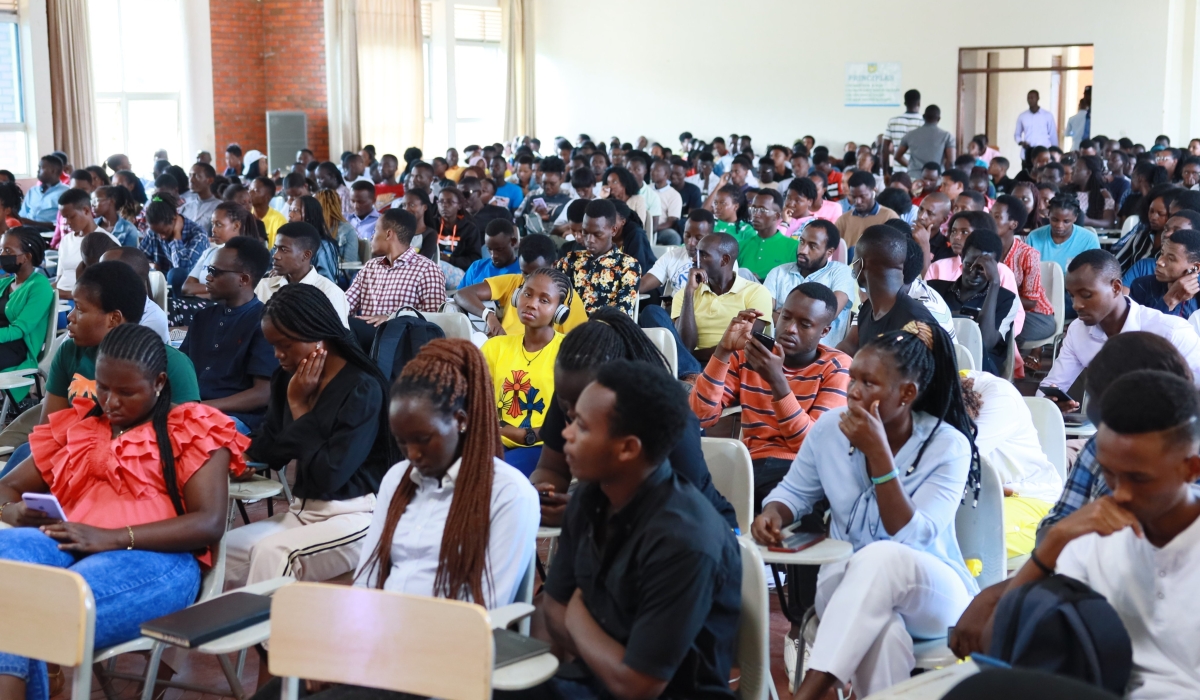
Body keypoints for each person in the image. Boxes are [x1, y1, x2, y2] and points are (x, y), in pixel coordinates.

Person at [0, 324, 246, 700]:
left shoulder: (191, 427)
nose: (111, 401)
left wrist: (112, 537)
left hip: (158, 557)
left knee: (37, 606)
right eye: (103, 387)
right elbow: (8, 485)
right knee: (10, 582)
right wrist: (11, 510)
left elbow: (209, 522)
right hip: (69, 541)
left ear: (159, 382)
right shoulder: (81, 426)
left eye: (126, 392)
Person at [756, 321, 979, 699]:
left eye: (869, 384)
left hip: (930, 593)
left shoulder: (947, 446)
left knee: (882, 556)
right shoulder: (828, 429)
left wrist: (879, 454)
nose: (854, 393)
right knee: (883, 635)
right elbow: (792, 493)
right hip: (843, 585)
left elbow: (910, 537)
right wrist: (773, 514)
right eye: (852, 379)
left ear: (906, 393)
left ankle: (812, 688)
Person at [950, 370, 1200, 699]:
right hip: (1101, 687)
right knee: (980, 687)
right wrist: (1053, 545)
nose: (1119, 494)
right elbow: (998, 650)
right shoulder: (1100, 538)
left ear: (1190, 469)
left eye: (1139, 479)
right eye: (1109, 475)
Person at [521, 359, 741, 700]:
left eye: (581, 426)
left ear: (627, 448)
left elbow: (638, 685)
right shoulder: (589, 499)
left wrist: (577, 616)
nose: (566, 434)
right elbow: (552, 609)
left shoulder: (687, 541)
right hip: (596, 679)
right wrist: (589, 636)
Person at [226, 283, 398, 588]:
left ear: (318, 335)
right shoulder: (287, 378)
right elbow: (275, 445)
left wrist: (300, 405)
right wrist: (240, 458)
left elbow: (330, 474)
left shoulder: (363, 388)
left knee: (274, 554)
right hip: (304, 511)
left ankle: (261, 637)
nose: (278, 355)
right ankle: (205, 634)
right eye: (273, 346)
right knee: (218, 553)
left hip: (357, 515)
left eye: (285, 345)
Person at [351, 337, 539, 610]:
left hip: (450, 641)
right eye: (402, 442)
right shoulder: (397, 478)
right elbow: (366, 579)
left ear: (461, 421)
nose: (412, 454)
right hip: (383, 629)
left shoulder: (509, 494)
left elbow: (483, 608)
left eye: (424, 439)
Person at [531, 309, 738, 531]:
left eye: (579, 416)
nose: (570, 418)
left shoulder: (668, 415)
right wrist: (542, 494)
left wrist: (586, 515)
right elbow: (551, 468)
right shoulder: (572, 396)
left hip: (699, 531)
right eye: (565, 405)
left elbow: (678, 509)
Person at [690, 283, 850, 509]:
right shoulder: (748, 355)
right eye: (786, 317)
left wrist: (777, 381)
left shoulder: (837, 367)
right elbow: (699, 416)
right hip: (749, 465)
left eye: (805, 324)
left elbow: (811, 447)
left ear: (824, 331)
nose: (790, 329)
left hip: (802, 470)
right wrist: (723, 352)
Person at [1041, 250, 1200, 409]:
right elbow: (1053, 385)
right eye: (1072, 296)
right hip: (1114, 424)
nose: (1076, 305)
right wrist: (1052, 403)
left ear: (1116, 287)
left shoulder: (1172, 332)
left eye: (1086, 295)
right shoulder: (1077, 331)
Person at [960, 370, 1062, 559]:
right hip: (978, 494)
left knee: (965, 538)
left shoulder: (999, 397)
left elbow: (954, 460)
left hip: (1029, 498)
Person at [180, 236, 277, 435]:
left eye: (215, 272)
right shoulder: (202, 317)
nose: (207, 277)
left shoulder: (264, 323)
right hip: (194, 411)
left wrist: (204, 407)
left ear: (243, 279)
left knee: (188, 436)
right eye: (208, 270)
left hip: (237, 417)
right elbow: (181, 367)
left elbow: (263, 393)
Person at [480, 268, 571, 476]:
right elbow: (475, 400)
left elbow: (574, 419)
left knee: (495, 476)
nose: (531, 303)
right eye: (527, 294)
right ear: (516, 296)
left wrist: (527, 435)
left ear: (559, 310)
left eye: (544, 300)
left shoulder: (569, 352)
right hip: (493, 440)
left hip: (543, 446)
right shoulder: (495, 347)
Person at [345, 208, 446, 348]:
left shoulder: (427, 269)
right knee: (335, 324)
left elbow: (434, 320)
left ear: (388, 234)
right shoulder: (371, 267)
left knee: (350, 326)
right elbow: (346, 304)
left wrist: (392, 318)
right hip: (368, 338)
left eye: (375, 231)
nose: (371, 237)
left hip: (401, 342)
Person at [455, 234, 587, 339]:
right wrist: (488, 316)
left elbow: (577, 345)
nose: (530, 280)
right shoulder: (513, 281)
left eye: (537, 273)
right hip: (505, 351)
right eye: (525, 273)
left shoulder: (569, 299)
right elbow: (462, 294)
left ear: (554, 265)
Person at [837, 225, 938, 354]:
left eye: (854, 260)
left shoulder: (915, 322)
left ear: (860, 265)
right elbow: (850, 347)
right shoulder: (868, 308)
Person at [929, 230, 1019, 374]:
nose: (973, 273)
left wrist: (994, 283)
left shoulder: (1006, 299)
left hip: (980, 369)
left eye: (982, 269)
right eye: (969, 264)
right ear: (962, 258)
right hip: (939, 359)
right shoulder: (934, 289)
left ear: (995, 266)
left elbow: (986, 343)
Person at [763, 219, 857, 344]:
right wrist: (806, 319)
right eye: (802, 242)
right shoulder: (779, 272)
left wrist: (782, 314)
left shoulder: (841, 273)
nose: (803, 250)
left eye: (812, 246)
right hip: (776, 352)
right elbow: (763, 316)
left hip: (822, 358)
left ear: (829, 252)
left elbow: (827, 316)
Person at [554, 199, 640, 316]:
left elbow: (620, 314)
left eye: (597, 234)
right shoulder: (569, 261)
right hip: (568, 331)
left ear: (613, 230)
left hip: (606, 331)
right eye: (585, 232)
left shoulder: (627, 266)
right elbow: (554, 302)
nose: (589, 240)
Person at [256, 222, 350, 327]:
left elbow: (338, 340)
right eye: (275, 248)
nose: (275, 255)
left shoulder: (329, 293)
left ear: (306, 255)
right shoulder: (262, 286)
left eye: (283, 250)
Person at [991, 194, 1057, 342]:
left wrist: (993, 299)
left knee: (1001, 326)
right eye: (990, 215)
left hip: (1036, 316)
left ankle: (1010, 364)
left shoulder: (1028, 254)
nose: (990, 221)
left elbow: (1031, 302)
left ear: (1013, 224)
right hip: (1002, 310)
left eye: (996, 216)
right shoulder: (987, 249)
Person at [0, 228, 53, 404]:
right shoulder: (6, 282)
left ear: (27, 257)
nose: (2, 254)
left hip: (18, 349)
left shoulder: (39, 286)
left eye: (8, 251)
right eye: (1, 250)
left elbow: (20, 330)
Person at [180, 201, 260, 299]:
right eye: (212, 224)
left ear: (236, 226)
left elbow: (233, 293)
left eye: (219, 224)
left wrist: (199, 293)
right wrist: (213, 291)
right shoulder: (209, 252)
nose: (213, 230)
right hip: (199, 305)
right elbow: (186, 287)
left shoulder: (246, 256)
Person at [139, 192, 209, 297]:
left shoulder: (197, 234)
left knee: (176, 274)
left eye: (164, 232)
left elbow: (182, 269)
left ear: (174, 219)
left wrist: (177, 236)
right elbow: (139, 258)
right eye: (157, 233)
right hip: (161, 288)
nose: (161, 237)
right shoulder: (155, 232)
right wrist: (151, 265)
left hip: (186, 292)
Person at [55, 189, 119, 299]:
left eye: (71, 216)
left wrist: (61, 294)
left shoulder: (105, 242)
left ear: (86, 210)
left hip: (81, 301)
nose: (67, 222)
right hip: (59, 298)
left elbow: (105, 290)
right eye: (64, 217)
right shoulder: (66, 240)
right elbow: (60, 279)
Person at [641, 208, 713, 297]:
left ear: (710, 237)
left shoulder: (721, 261)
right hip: (676, 309)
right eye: (687, 235)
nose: (690, 242)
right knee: (651, 310)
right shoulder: (672, 256)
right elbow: (643, 284)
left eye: (698, 238)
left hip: (706, 310)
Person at [1129, 228, 1200, 317]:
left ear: (1195, 267)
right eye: (1162, 254)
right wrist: (1171, 299)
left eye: (1171, 259)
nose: (1159, 262)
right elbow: (1137, 329)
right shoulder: (1142, 286)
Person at [1026, 193, 1101, 272]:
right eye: (1055, 220)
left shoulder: (1089, 240)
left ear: (1075, 218)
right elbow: (1027, 271)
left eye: (1066, 221)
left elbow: (1095, 273)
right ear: (1048, 214)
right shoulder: (1033, 237)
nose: (1059, 225)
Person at [738, 189, 798, 280]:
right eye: (753, 209)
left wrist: (763, 280)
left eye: (762, 210)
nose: (756, 214)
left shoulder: (793, 247)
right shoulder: (741, 245)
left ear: (776, 216)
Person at [285, 195, 343, 284]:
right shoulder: (286, 242)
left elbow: (327, 282)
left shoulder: (324, 247)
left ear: (309, 215)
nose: (290, 215)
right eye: (290, 210)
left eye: (296, 211)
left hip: (312, 295)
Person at [835, 171, 899, 249]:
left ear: (874, 191)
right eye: (853, 197)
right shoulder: (843, 220)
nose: (858, 201)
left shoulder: (889, 217)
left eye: (863, 196)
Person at [459, 218, 522, 289]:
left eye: (499, 249)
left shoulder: (523, 270)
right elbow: (458, 295)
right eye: (490, 249)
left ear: (513, 242)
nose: (493, 255)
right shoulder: (476, 268)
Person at [895, 105, 955, 176]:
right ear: (939, 119)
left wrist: (910, 166)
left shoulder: (910, 135)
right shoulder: (947, 136)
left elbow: (897, 156)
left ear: (923, 117)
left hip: (914, 176)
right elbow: (950, 162)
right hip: (935, 178)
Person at [17, 155, 67, 226]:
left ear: (53, 171)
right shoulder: (33, 191)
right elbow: (22, 215)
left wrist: (35, 224)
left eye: (41, 168)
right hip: (26, 230)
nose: (38, 171)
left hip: (48, 232)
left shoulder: (66, 192)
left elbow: (63, 223)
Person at [883, 89, 925, 173]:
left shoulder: (893, 121)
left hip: (898, 171)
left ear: (905, 103)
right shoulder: (924, 123)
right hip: (917, 172)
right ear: (919, 103)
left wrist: (886, 172)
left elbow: (885, 149)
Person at [180, 162, 220, 234]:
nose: (191, 180)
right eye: (190, 176)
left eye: (197, 176)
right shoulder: (185, 207)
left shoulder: (219, 207)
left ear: (210, 180)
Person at [250, 177, 287, 247]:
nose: (250, 193)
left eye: (255, 191)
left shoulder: (279, 221)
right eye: (249, 189)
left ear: (267, 197)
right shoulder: (245, 215)